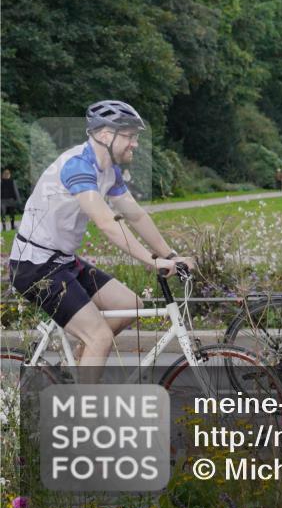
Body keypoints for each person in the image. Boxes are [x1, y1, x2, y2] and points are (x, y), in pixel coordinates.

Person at [7, 101, 195, 379]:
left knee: (130, 305)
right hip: (35, 266)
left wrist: (168, 255)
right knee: (100, 337)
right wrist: (150, 262)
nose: (136, 144)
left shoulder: (108, 170)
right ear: (106, 135)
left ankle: (78, 371)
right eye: (130, 136)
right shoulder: (77, 167)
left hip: (62, 260)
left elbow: (135, 215)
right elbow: (107, 223)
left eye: (136, 137)